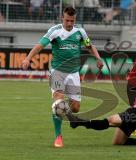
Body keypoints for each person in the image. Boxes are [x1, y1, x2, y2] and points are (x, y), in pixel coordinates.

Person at [22, 6, 103, 148]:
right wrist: (28, 58)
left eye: (72, 20)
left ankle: (69, 116)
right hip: (57, 72)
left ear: (75, 19)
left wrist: (98, 58)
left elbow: (90, 46)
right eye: (67, 20)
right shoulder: (55, 31)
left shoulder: (80, 32)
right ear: (62, 18)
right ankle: (58, 136)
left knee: (76, 108)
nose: (70, 23)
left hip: (73, 73)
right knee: (59, 102)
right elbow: (39, 46)